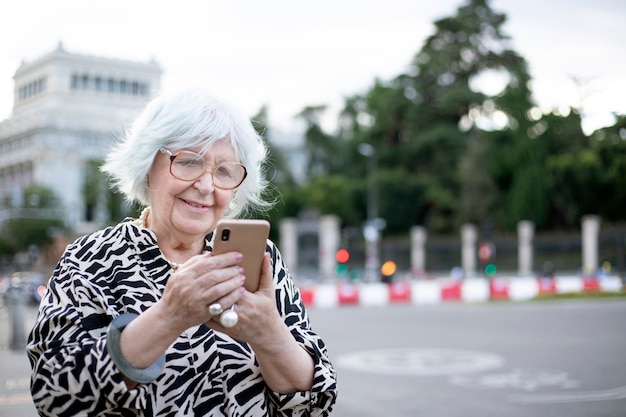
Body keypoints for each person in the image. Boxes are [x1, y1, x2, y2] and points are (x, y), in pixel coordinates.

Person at [27, 89, 338, 416]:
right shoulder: (89, 259)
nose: (207, 186)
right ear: (148, 164)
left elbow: (317, 402)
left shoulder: (262, 260)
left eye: (224, 171)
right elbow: (53, 394)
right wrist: (169, 317)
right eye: (189, 162)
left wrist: (269, 335)